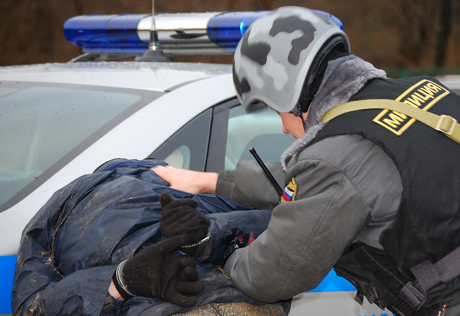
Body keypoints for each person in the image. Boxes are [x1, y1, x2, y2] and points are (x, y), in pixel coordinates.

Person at [153, 6, 460, 316]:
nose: (284, 127)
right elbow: (315, 181)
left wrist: (218, 249)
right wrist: (208, 182)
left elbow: (270, 275)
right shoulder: (425, 91)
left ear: (292, 96)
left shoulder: (339, 159)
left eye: (277, 111)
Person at [12, 158, 289, 316]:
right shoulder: (193, 195)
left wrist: (117, 283)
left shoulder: (57, 211)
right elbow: (282, 223)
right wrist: (122, 281)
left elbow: (32, 307)